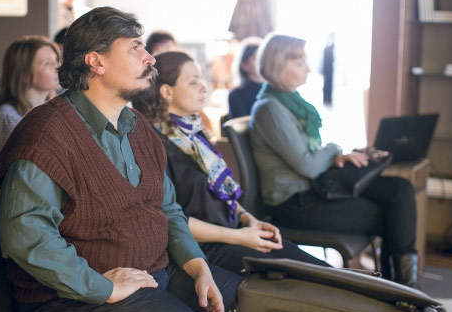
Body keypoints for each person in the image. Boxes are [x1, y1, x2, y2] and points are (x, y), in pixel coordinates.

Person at [0, 7, 245, 312]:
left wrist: (197, 265)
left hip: (151, 273)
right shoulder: (46, 134)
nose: (149, 58)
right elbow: (27, 237)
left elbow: (167, 209)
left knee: (244, 308)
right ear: (95, 61)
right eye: (134, 48)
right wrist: (102, 287)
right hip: (70, 299)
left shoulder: (137, 126)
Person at [133, 50, 330, 275]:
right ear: (167, 92)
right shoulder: (154, 144)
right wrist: (239, 237)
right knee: (314, 279)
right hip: (204, 249)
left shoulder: (192, 134)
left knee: (325, 272)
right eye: (193, 82)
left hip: (233, 232)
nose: (204, 88)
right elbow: (170, 220)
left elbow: (222, 194)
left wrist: (248, 219)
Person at [249, 34, 419, 286]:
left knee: (400, 188)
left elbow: (309, 158)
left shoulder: (292, 105)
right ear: (277, 66)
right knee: (394, 215)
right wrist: (334, 150)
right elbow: (308, 165)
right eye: (299, 63)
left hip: (313, 190)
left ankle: (401, 288)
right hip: (294, 204)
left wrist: (338, 157)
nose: (308, 69)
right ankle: (403, 289)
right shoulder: (270, 109)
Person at [0, 36, 60, 154]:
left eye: (56, 60)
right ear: (25, 74)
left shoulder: (56, 110)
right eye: (47, 63)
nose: (58, 67)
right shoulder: (7, 116)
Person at [228, 37, 264, 119]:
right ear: (244, 65)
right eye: (256, 58)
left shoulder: (274, 88)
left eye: (262, 57)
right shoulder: (236, 94)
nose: (261, 62)